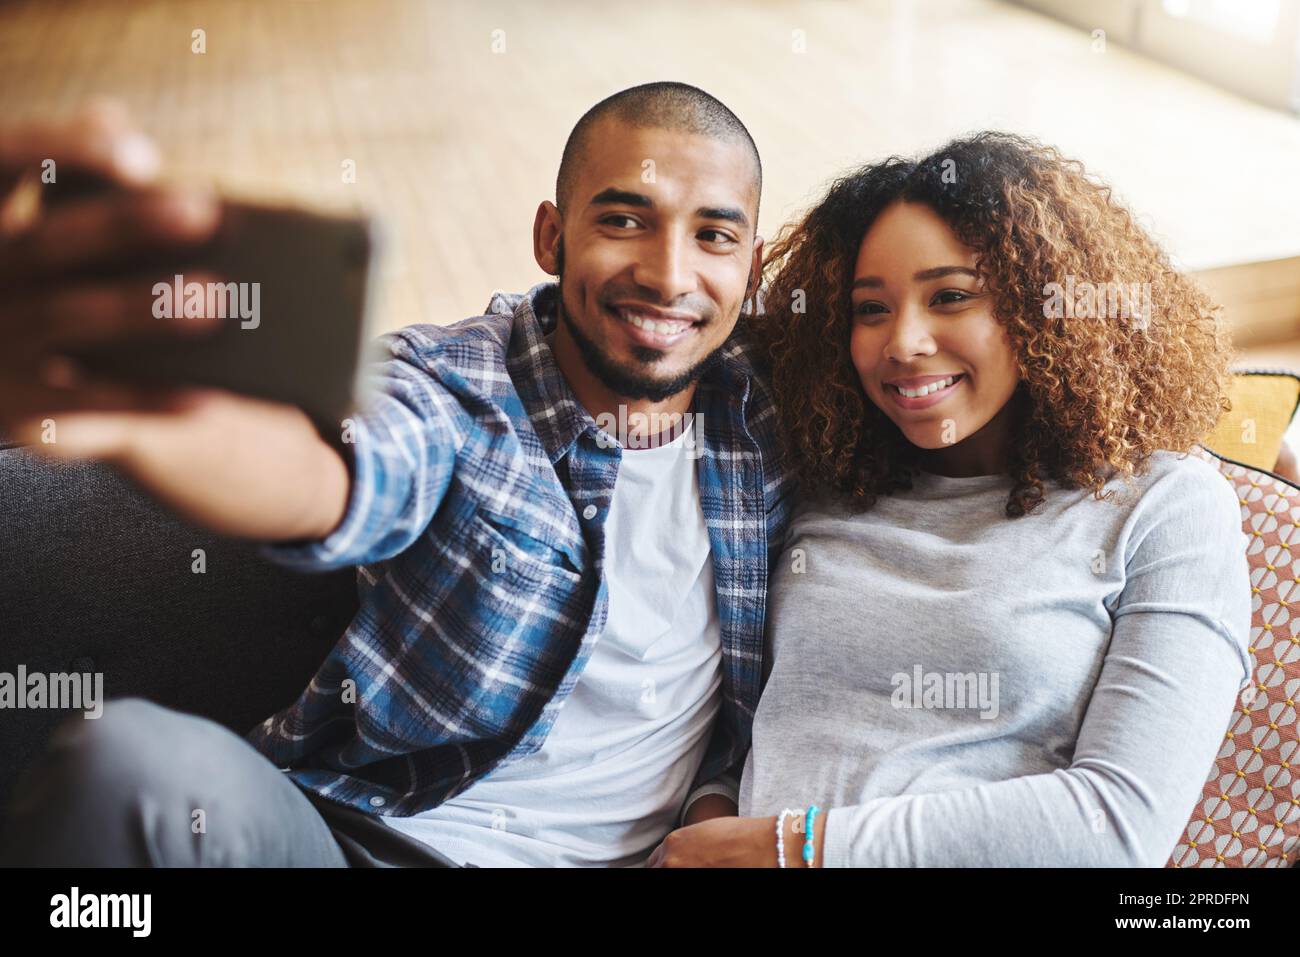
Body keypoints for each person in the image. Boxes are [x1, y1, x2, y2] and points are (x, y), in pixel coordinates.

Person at [0, 84, 792, 867]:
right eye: (624, 221)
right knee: (134, 764)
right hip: (373, 844)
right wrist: (151, 414)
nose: (668, 274)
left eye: (714, 237)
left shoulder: (770, 415)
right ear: (552, 237)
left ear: (752, 266)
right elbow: (334, 472)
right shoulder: (452, 385)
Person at [647, 133, 1253, 867]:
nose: (903, 341)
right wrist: (705, 820)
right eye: (870, 309)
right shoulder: (822, 473)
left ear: (1045, 310)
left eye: (952, 297)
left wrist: (795, 847)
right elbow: (752, 723)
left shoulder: (1168, 506)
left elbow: (1119, 825)